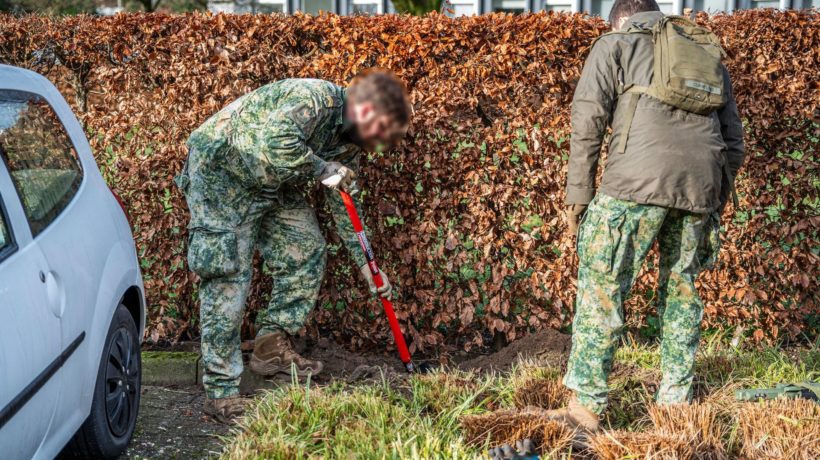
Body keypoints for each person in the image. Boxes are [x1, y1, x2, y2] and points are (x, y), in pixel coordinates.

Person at [549, 0, 745, 439]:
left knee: (603, 287)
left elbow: (588, 124)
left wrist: (578, 200)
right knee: (682, 294)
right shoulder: (703, 51)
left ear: (621, 19)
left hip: (633, 184)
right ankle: (675, 408)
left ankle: (585, 412)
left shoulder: (615, 43)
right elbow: (733, 143)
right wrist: (714, 200)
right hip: (700, 187)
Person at [175, 71, 411, 423]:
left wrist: (368, 267)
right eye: (379, 132)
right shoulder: (314, 98)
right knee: (228, 276)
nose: (377, 144)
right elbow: (277, 141)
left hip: (271, 182)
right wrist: (321, 167)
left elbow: (344, 202)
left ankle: (270, 346)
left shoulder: (349, 142)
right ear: (364, 111)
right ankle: (221, 391)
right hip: (222, 173)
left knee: (306, 249)